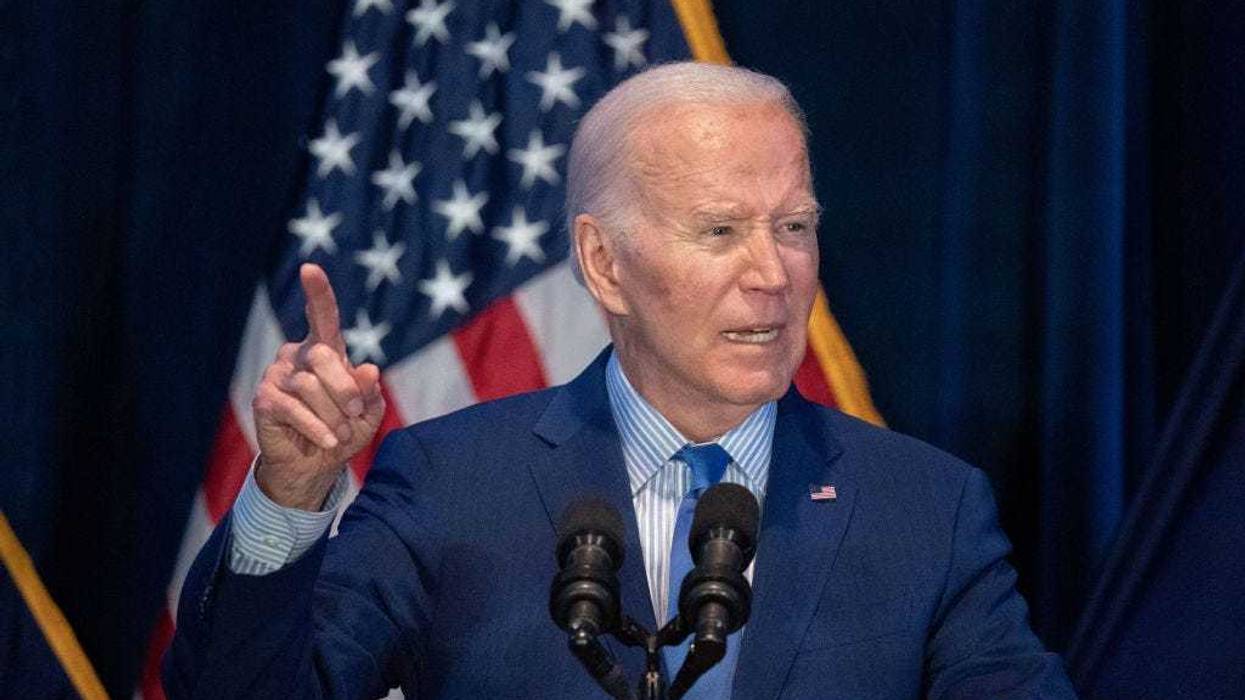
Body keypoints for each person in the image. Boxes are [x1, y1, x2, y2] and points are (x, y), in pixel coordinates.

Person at [165, 62, 1077, 699]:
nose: (773, 273)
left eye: (793, 227)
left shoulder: (925, 509)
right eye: (720, 231)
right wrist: (289, 495)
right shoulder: (450, 485)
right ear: (604, 264)